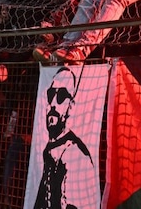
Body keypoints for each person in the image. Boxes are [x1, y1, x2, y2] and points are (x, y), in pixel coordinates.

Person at [33, 67, 95, 209]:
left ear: (71, 106)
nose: (53, 103)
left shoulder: (73, 153)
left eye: (61, 96)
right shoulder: (51, 148)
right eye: (51, 95)